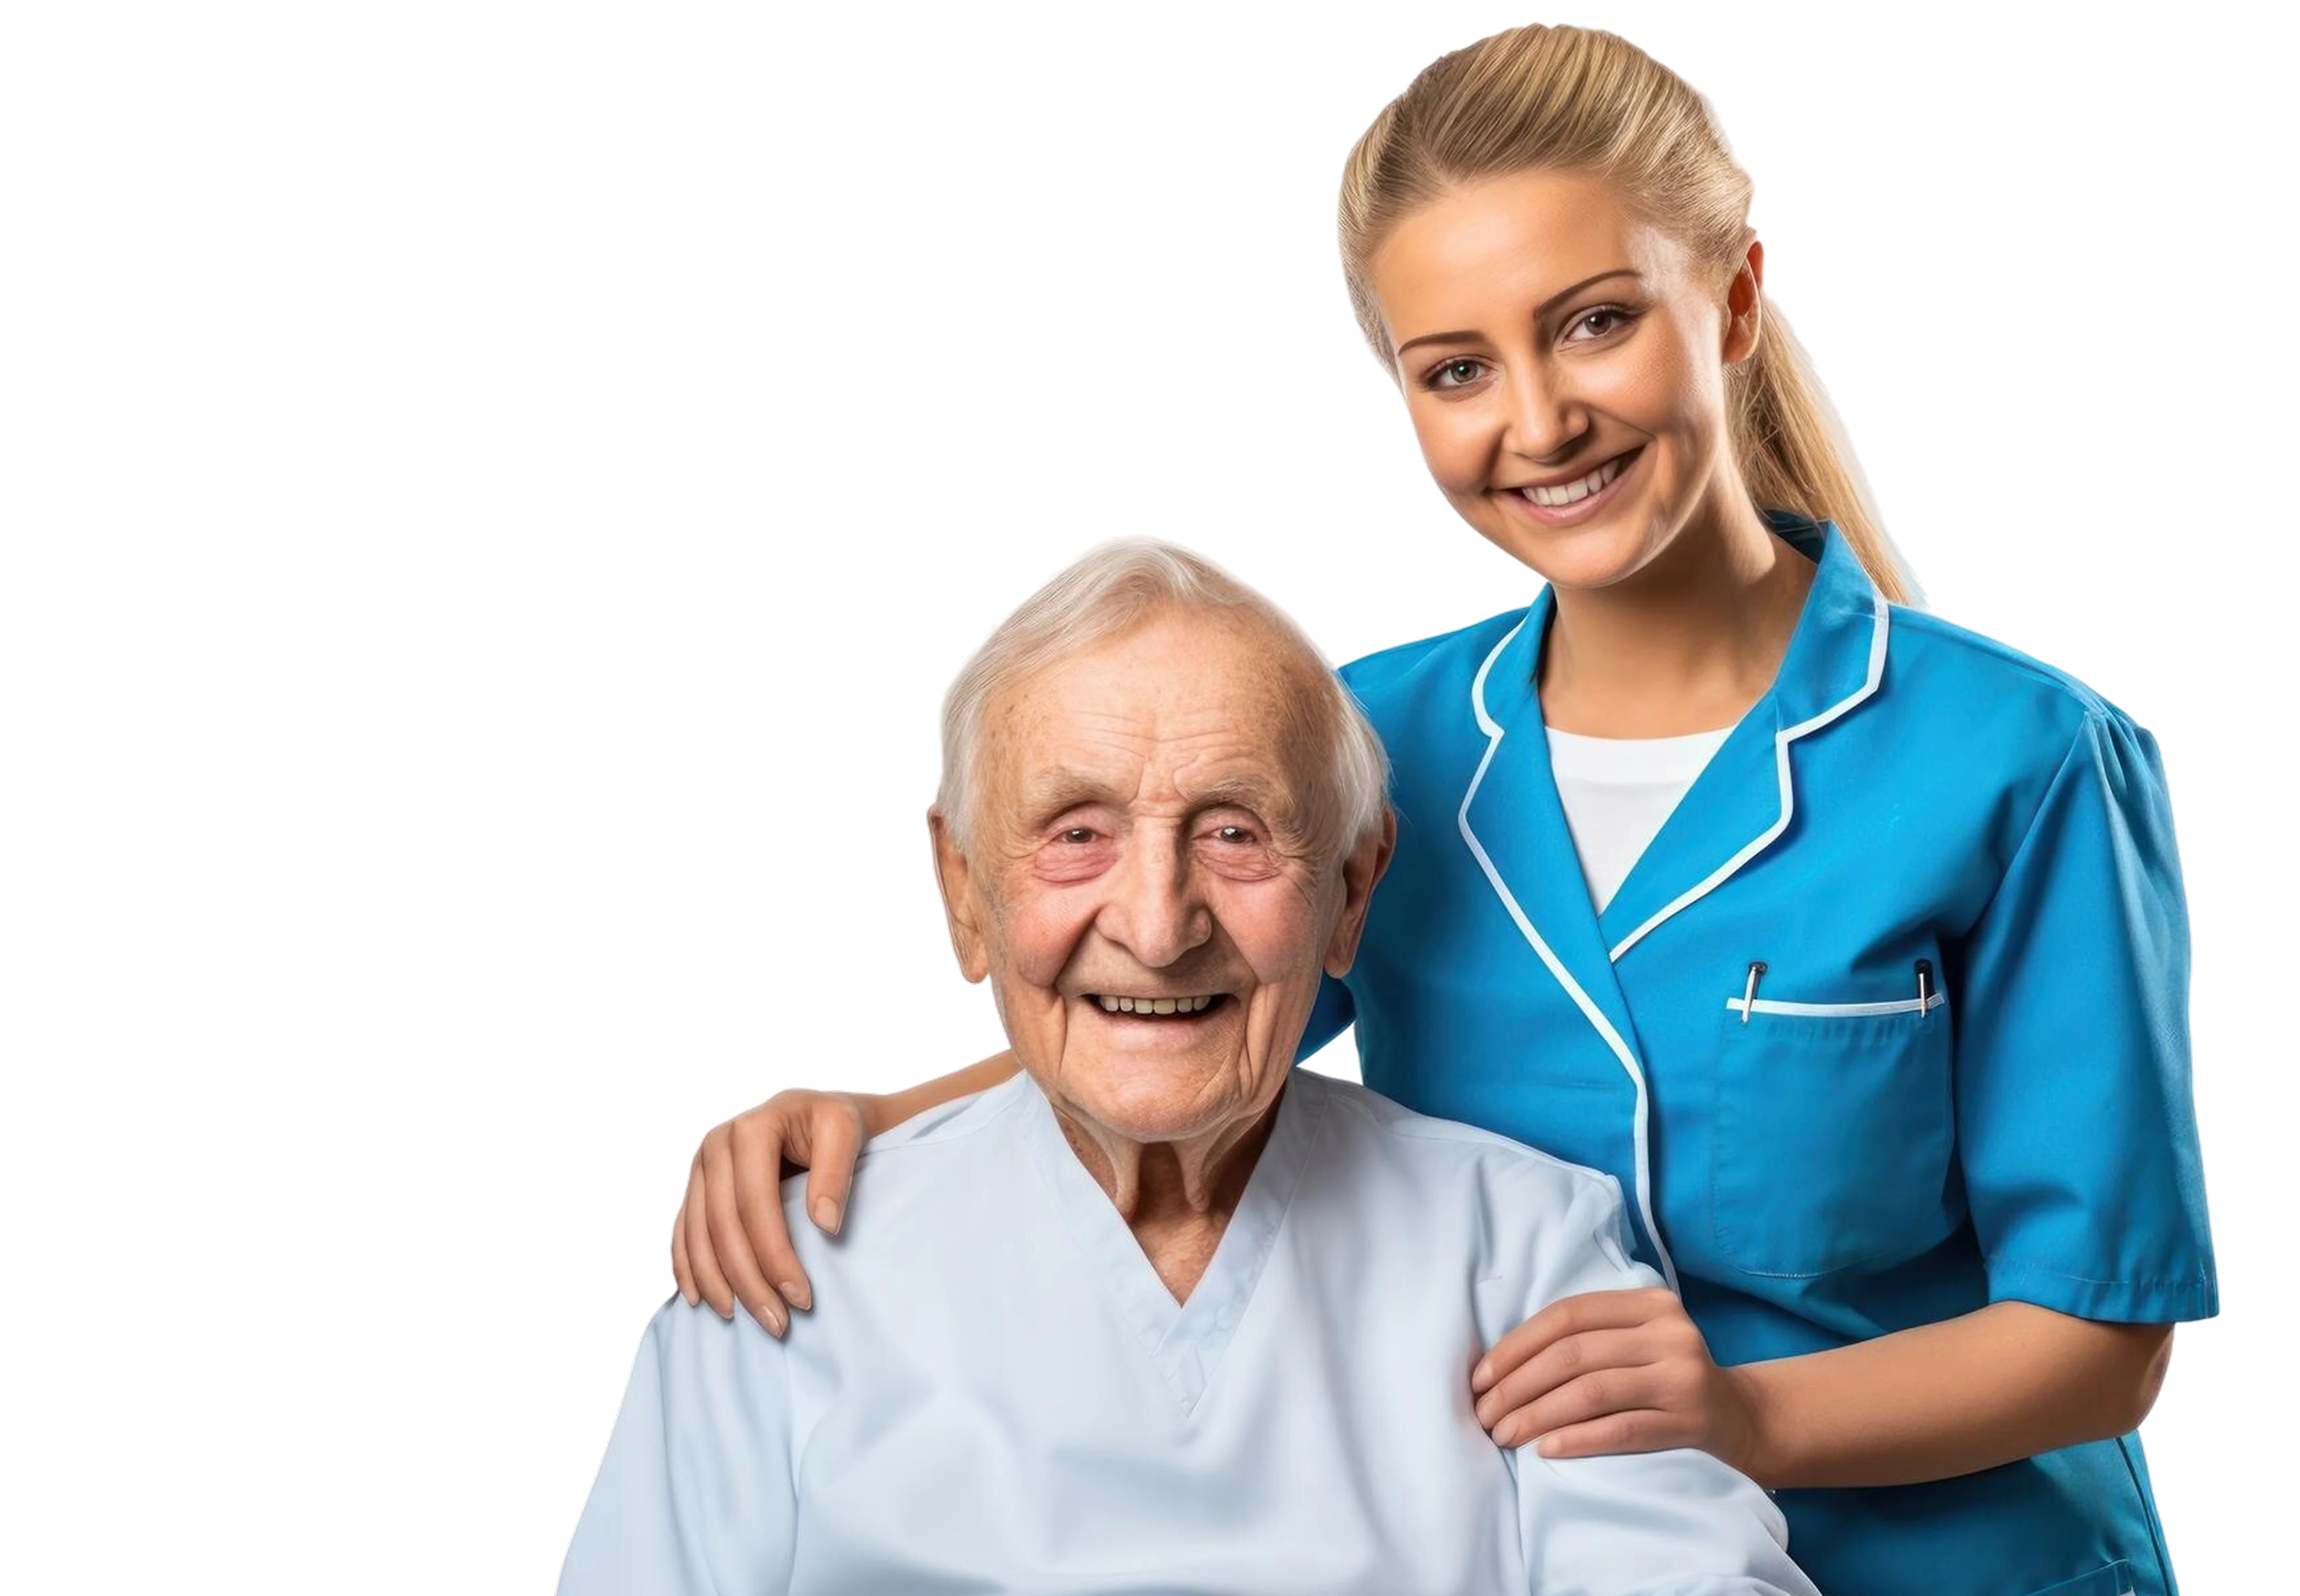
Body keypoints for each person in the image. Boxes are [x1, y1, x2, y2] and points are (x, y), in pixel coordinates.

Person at [661, 23, 2215, 1596]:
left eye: (1594, 323)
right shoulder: (1371, 737)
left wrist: (1740, 1413)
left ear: (1735, 299)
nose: (1536, 424)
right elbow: (1196, 993)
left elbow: (2099, 1334)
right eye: (1456, 368)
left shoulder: (2023, 757)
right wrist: (869, 1123)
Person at [558, 537, 1823, 1595]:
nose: (1158, 925)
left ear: (1352, 891)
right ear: (962, 889)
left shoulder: (1525, 1247)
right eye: (1076, 834)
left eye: (1234, 831)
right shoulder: (781, 1276)